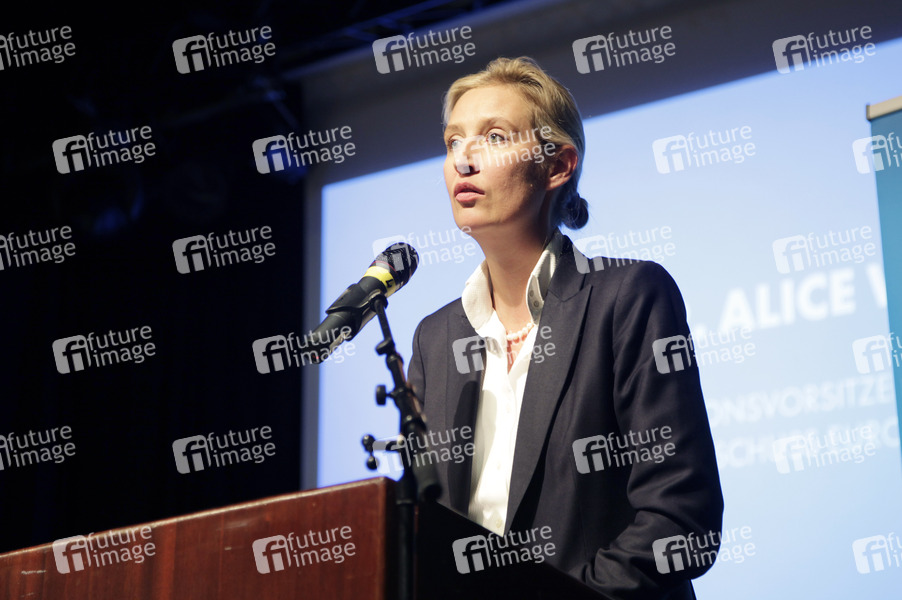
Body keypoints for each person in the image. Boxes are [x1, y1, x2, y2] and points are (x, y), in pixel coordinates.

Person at [406, 56, 723, 599]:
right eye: (453, 141)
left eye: (494, 137)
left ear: (558, 166)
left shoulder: (627, 298)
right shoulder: (435, 340)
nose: (464, 159)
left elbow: (681, 517)